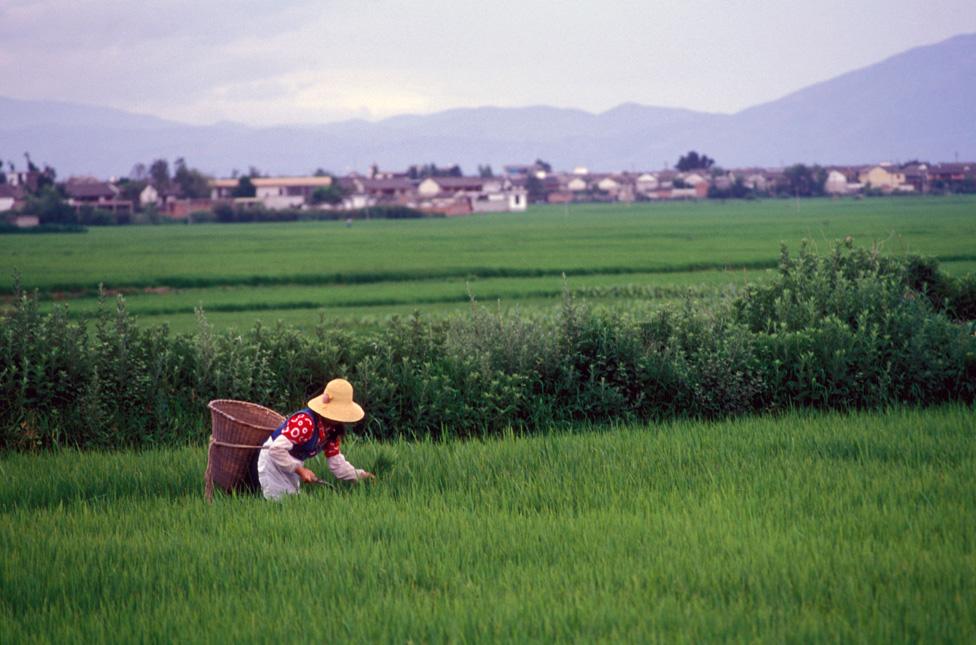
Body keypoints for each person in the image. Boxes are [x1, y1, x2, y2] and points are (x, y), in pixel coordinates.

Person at [256, 378, 374, 500]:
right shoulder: (305, 422)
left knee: (291, 502)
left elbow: (336, 463)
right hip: (273, 462)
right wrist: (300, 470)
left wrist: (358, 475)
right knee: (280, 503)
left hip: (291, 465)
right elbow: (276, 450)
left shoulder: (331, 430)